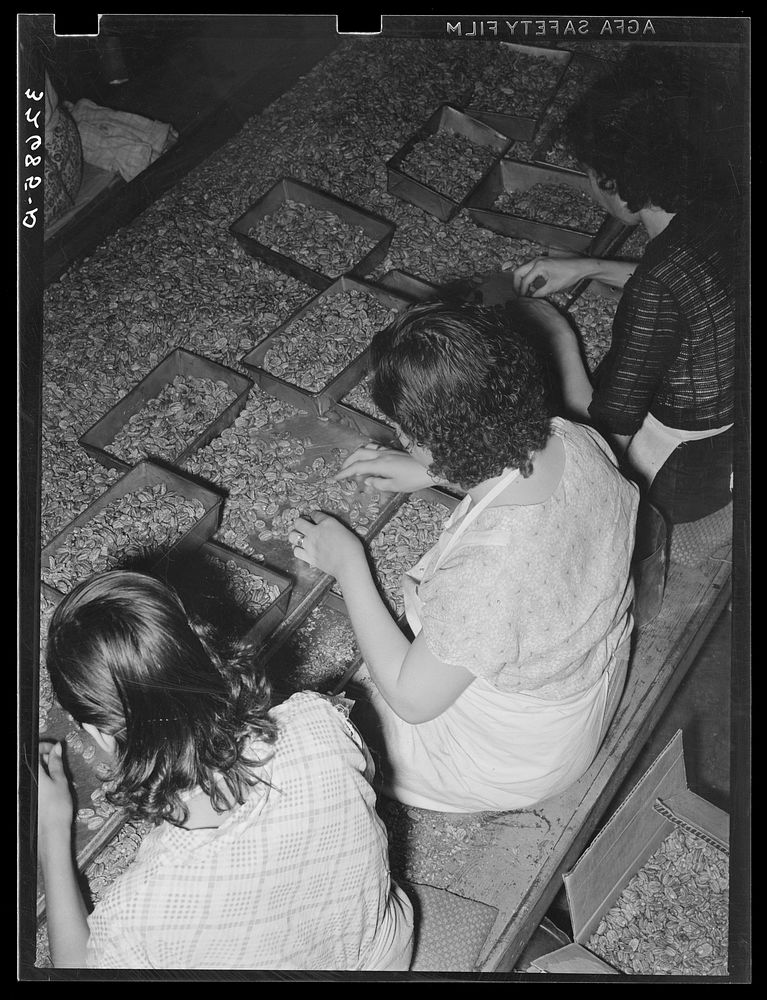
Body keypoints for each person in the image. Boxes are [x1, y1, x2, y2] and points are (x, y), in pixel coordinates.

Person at [289, 301, 639, 813]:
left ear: (431, 439)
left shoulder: (489, 574)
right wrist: (431, 469)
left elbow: (413, 700)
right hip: (588, 673)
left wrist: (350, 564)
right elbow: (507, 462)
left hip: (516, 756)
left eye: (405, 431)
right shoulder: (572, 437)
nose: (401, 438)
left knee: (322, 737)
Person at [37, 570, 414, 970]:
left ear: (101, 734)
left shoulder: (138, 911)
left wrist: (52, 830)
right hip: (381, 955)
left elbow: (75, 968)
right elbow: (368, 772)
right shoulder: (316, 719)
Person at [507, 78, 737, 528]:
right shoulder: (715, 213)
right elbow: (686, 287)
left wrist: (557, 332)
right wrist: (588, 266)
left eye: (591, 176)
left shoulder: (655, 288)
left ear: (613, 181)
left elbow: (605, 432)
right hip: (726, 442)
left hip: (674, 480)